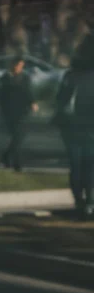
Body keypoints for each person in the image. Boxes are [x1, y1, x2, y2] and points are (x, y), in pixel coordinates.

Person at [53, 35, 94, 217]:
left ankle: (80, 200)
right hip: (87, 128)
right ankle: (89, 201)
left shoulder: (70, 76)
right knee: (88, 165)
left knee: (77, 165)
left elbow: (60, 101)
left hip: (71, 127)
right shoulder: (90, 76)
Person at [0, 56, 38, 172]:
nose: (19, 68)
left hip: (22, 111)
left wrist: (32, 102)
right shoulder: (5, 78)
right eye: (18, 65)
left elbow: (28, 91)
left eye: (21, 66)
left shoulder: (25, 78)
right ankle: (14, 162)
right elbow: (0, 95)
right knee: (16, 137)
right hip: (9, 111)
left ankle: (8, 157)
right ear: (12, 65)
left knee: (19, 137)